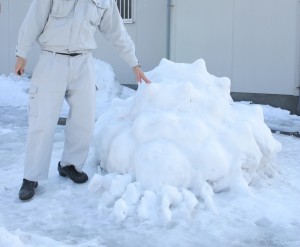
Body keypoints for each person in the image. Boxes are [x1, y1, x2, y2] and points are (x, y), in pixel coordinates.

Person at [15, 0, 150, 201]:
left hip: (83, 62)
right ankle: (31, 177)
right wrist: (21, 54)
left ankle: (70, 164)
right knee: (42, 120)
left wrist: (134, 64)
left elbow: (116, 32)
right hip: (52, 60)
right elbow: (33, 19)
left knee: (84, 119)